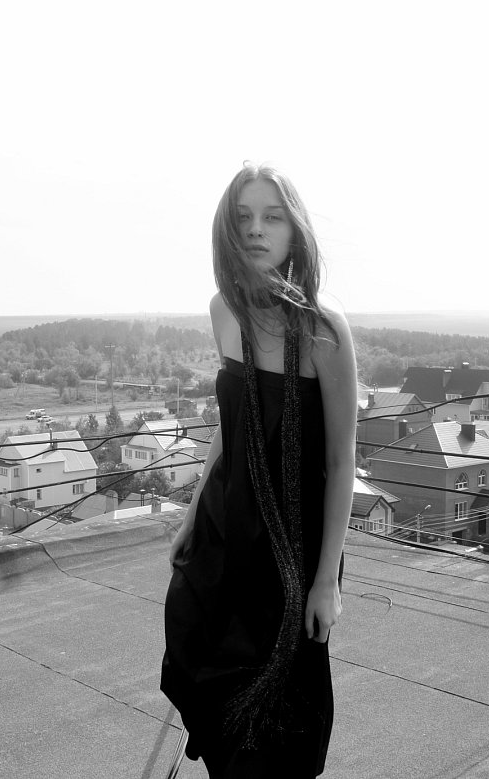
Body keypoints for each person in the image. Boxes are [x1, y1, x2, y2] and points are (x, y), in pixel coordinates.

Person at [161, 162, 357, 777]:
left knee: (281, 718)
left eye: (272, 217)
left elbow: (341, 459)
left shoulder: (324, 329)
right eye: (243, 216)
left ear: (295, 231)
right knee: (208, 673)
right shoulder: (222, 311)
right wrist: (191, 517)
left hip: (291, 547)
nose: (255, 229)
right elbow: (232, 424)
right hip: (227, 528)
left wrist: (326, 582)